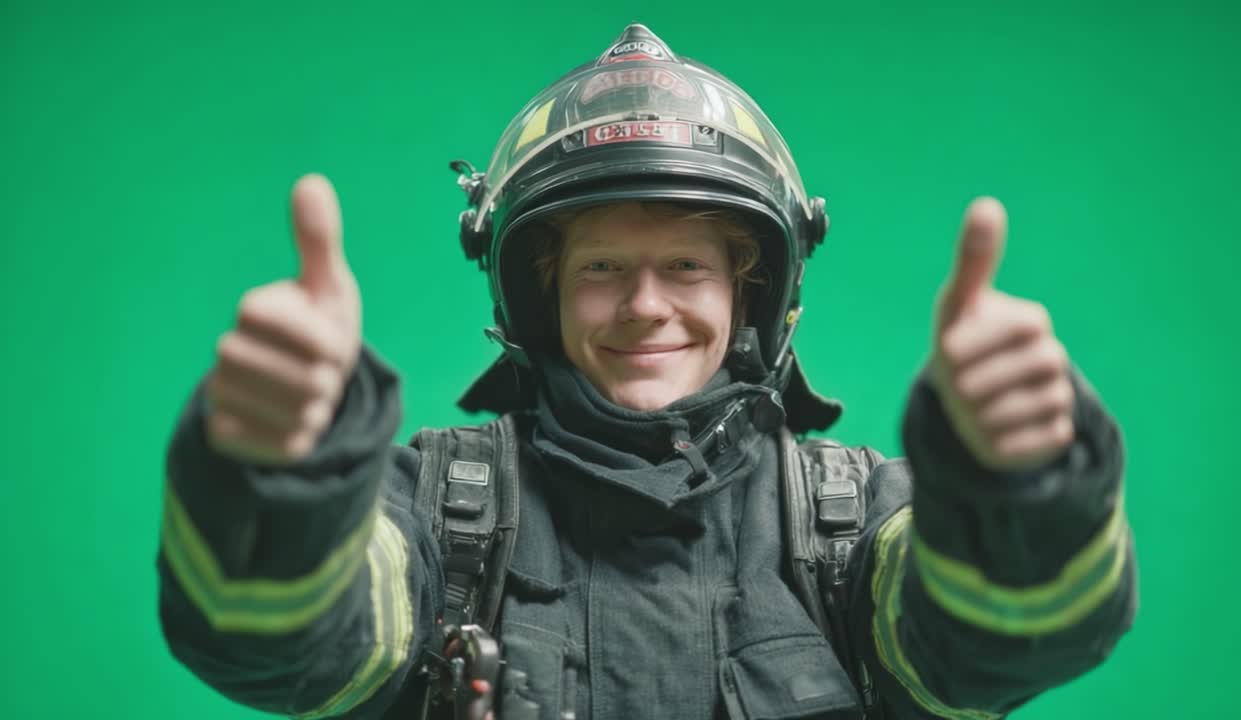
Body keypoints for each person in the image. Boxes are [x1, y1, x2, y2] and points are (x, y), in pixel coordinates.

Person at [158, 24, 1136, 720]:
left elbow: (995, 645)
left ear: (751, 295)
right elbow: (283, 645)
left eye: (686, 267)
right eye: (599, 269)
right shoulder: (435, 515)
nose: (644, 304)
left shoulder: (851, 530)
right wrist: (280, 476)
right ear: (537, 296)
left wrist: (1019, 485)